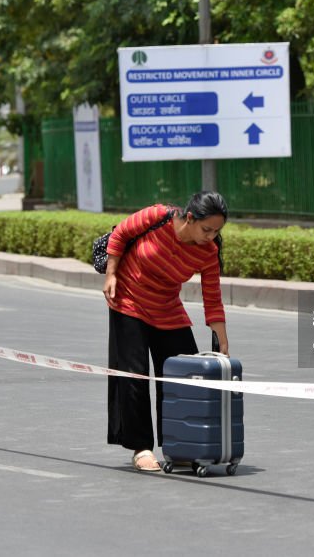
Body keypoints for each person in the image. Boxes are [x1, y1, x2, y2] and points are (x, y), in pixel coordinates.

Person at [103, 191, 229, 472]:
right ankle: (141, 448)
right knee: (134, 376)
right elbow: (120, 235)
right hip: (129, 301)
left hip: (167, 308)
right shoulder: (157, 217)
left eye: (216, 232)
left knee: (184, 377)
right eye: (206, 229)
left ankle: (180, 443)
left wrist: (222, 337)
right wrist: (111, 274)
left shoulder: (207, 252)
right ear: (190, 218)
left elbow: (212, 296)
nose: (210, 237)